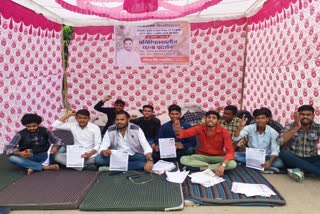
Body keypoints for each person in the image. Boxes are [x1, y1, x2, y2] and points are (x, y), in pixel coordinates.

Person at [174, 111, 236, 176]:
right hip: (203, 156)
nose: (211, 119)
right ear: (205, 119)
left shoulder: (224, 132)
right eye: (209, 117)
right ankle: (212, 167)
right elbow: (184, 134)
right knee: (183, 159)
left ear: (218, 121)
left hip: (218, 157)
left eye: (214, 118)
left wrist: (223, 165)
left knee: (232, 163)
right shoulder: (200, 128)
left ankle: (203, 168)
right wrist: (178, 131)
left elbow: (230, 151)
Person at [277, 105, 320, 182]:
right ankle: (311, 170)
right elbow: (279, 141)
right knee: (284, 154)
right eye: (302, 114)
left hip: (312, 158)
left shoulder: (317, 127)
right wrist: (296, 127)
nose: (305, 117)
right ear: (298, 115)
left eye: (308, 115)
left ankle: (301, 170)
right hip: (294, 158)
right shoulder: (290, 126)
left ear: (313, 116)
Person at [233, 108, 284, 173]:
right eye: (258, 118)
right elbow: (235, 138)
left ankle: (255, 165)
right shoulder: (250, 127)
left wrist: (269, 162)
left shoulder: (273, 132)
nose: (260, 120)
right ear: (255, 119)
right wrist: (240, 127)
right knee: (234, 155)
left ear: (267, 119)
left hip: (266, 156)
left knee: (280, 163)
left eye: (263, 118)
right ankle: (263, 167)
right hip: (251, 155)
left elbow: (275, 150)